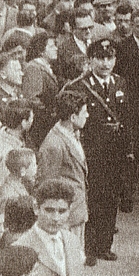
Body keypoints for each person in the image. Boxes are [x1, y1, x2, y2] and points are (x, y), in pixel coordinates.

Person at [62, 37, 135, 262]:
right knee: (92, 200)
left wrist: (128, 147)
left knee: (110, 199)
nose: (105, 64)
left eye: (110, 58)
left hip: (114, 152)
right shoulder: (79, 86)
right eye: (100, 58)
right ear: (90, 60)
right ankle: (90, 248)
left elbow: (126, 119)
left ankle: (104, 245)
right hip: (91, 152)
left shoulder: (120, 83)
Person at [36, 92, 90, 248]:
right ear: (73, 117)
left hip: (76, 213)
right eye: (84, 112)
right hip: (65, 218)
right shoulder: (54, 144)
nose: (87, 115)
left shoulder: (73, 134)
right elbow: (47, 185)